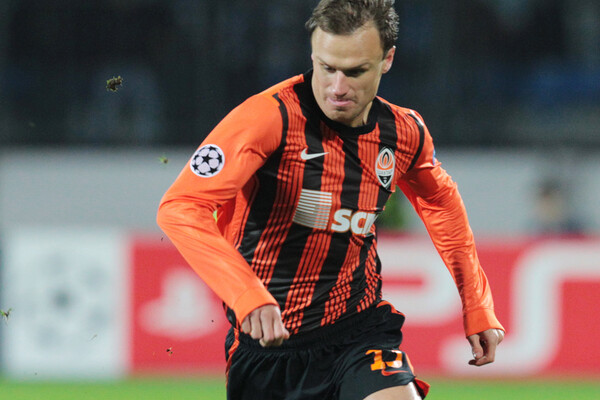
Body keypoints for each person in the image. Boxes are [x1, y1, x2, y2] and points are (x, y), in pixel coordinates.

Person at [157, 1, 504, 399]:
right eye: (327, 68)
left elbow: (442, 204)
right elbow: (180, 208)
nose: (337, 87)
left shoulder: (404, 133)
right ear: (313, 56)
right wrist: (245, 293)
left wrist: (477, 303)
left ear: (387, 60)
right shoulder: (268, 118)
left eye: (355, 71)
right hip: (267, 350)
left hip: (358, 331)